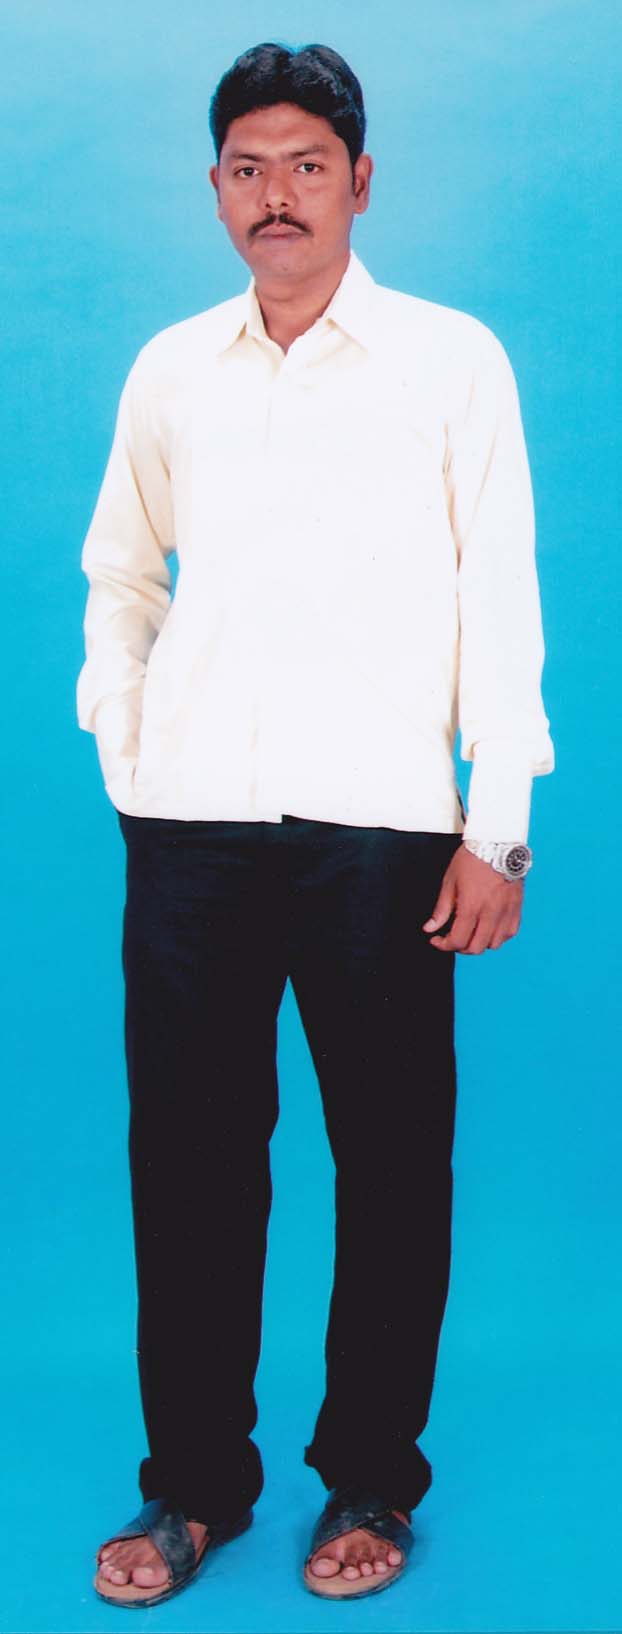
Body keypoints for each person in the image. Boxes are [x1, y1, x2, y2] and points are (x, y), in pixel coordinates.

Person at [77, 41, 554, 1607]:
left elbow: (500, 594)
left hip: (382, 830)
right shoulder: (172, 370)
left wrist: (498, 823)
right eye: (246, 166)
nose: (273, 194)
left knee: (390, 1164)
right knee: (190, 1168)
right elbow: (121, 572)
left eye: (304, 164)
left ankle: (368, 1479)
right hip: (194, 827)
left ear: (359, 180)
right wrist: (130, 745)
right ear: (214, 187)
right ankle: (194, 1488)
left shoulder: (448, 361)